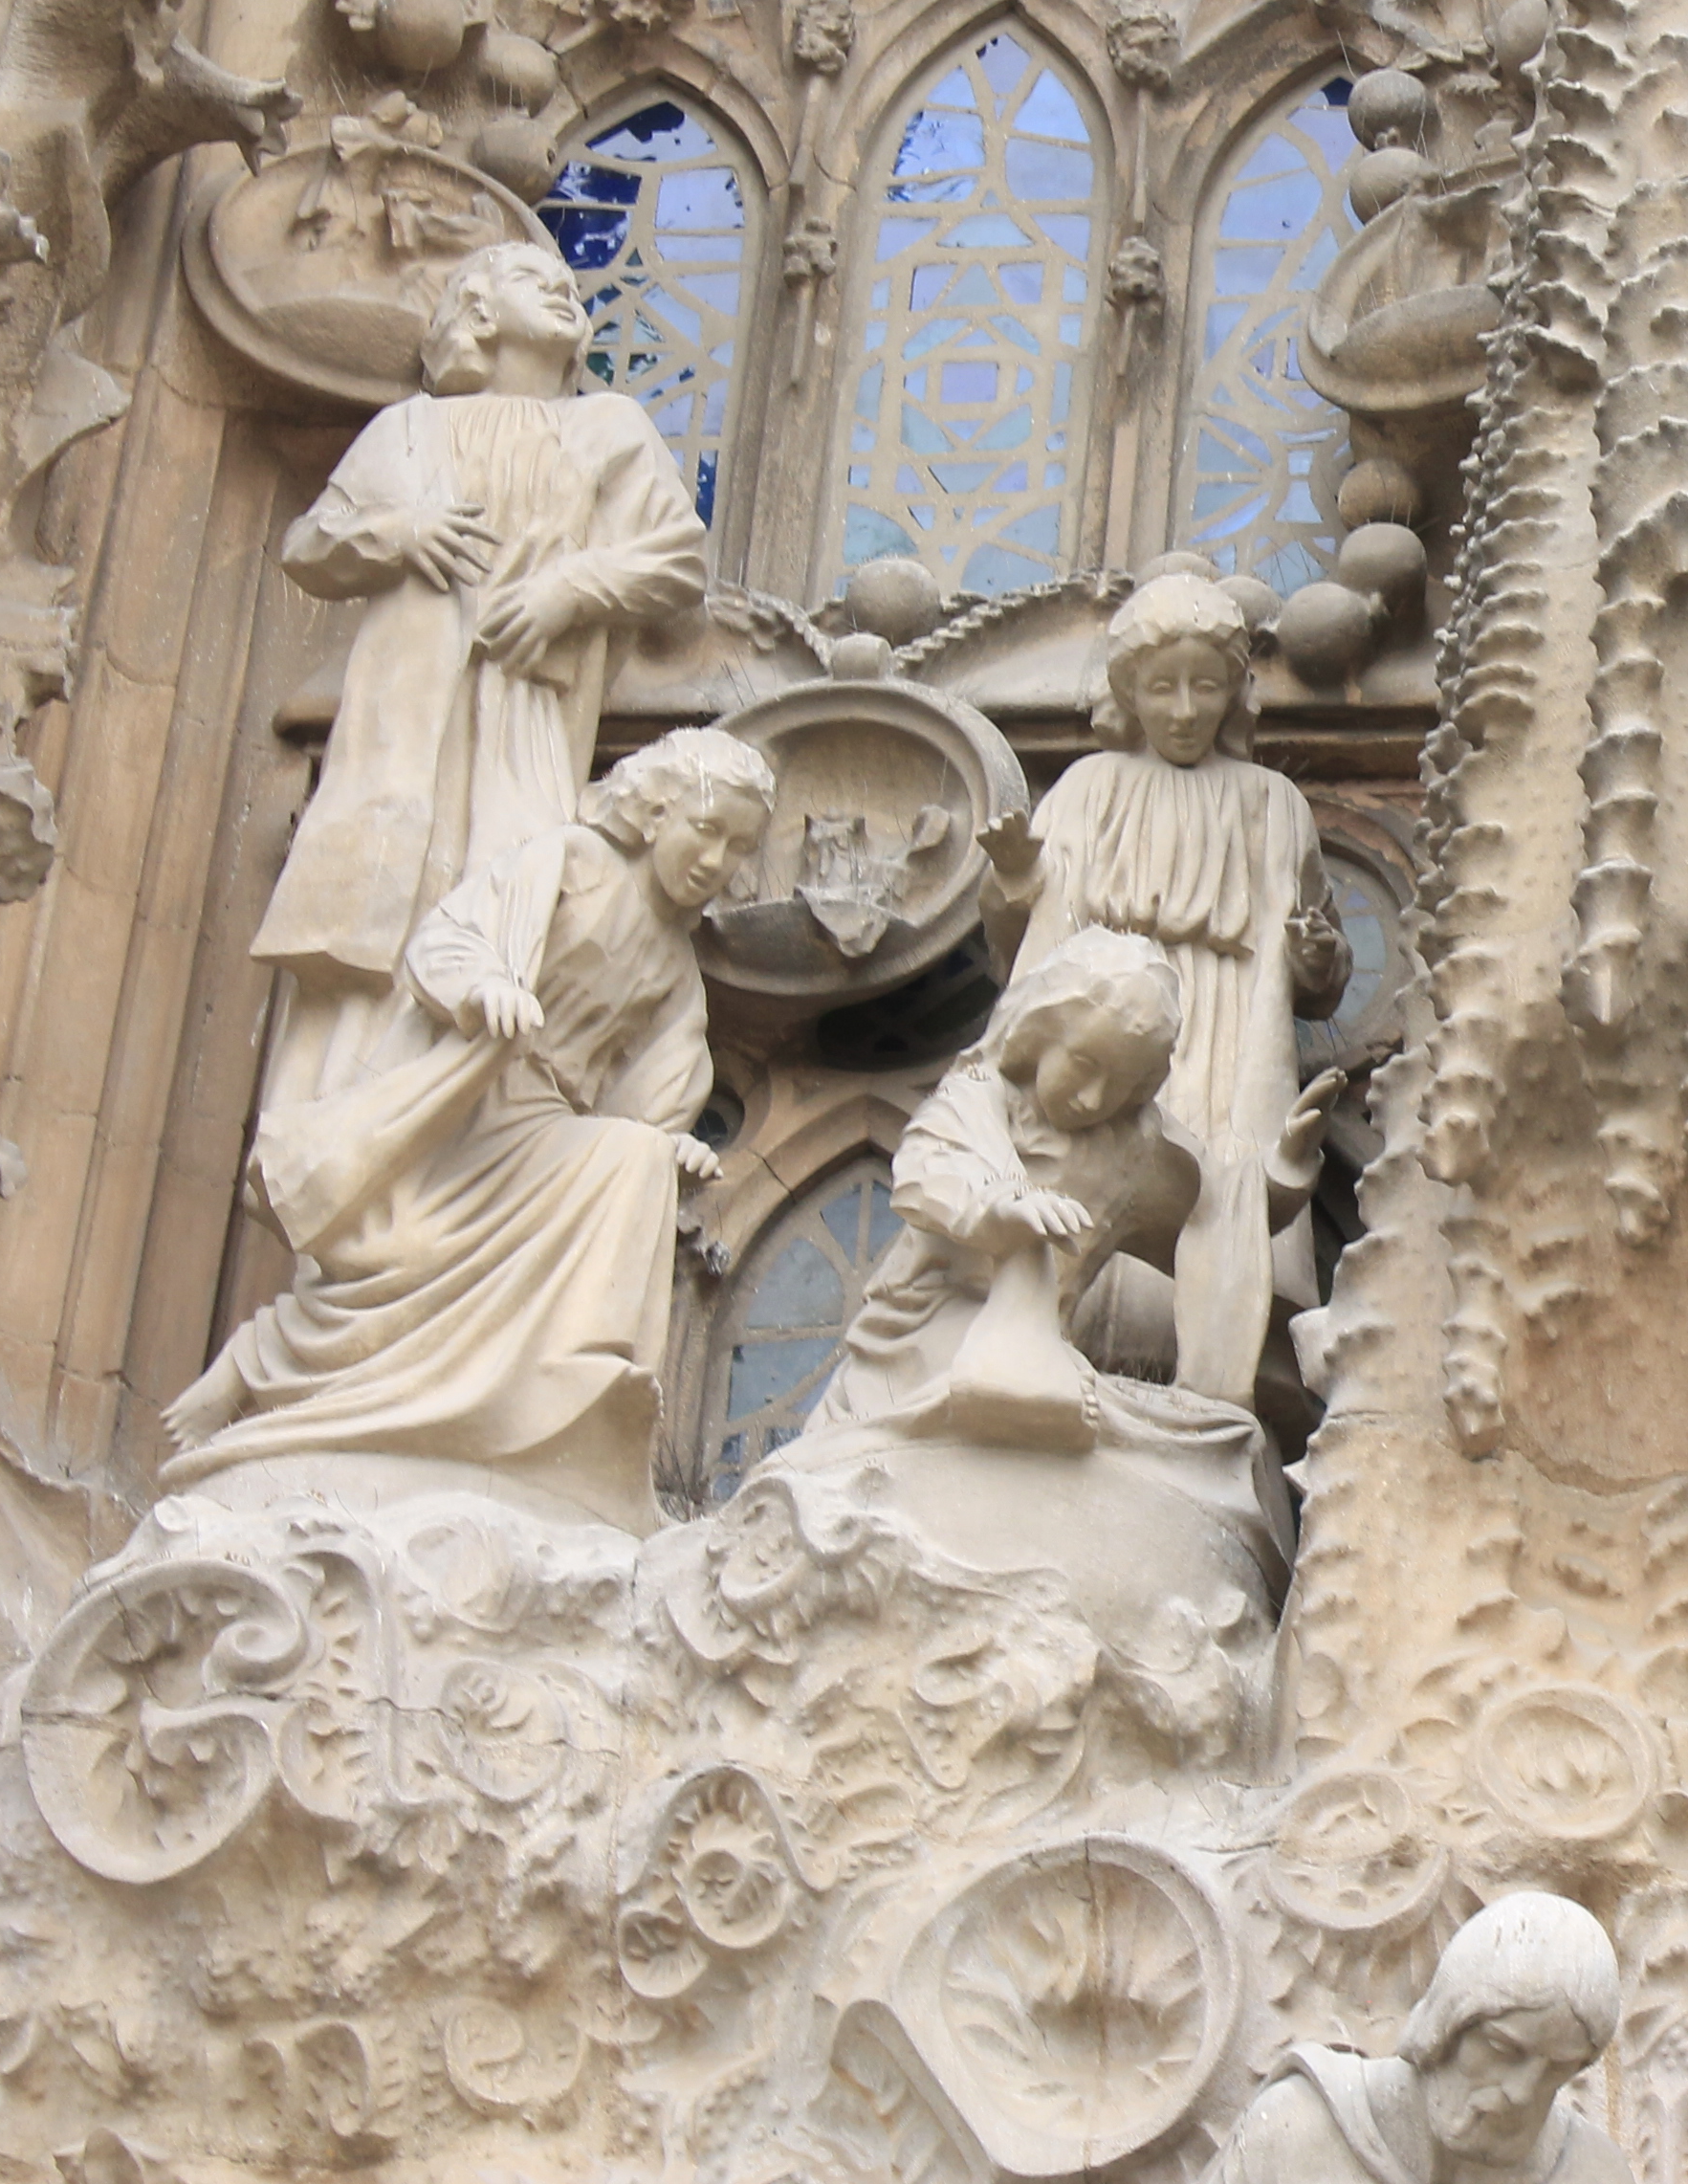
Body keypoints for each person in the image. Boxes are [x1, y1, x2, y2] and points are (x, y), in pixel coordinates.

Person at [171, 726, 775, 1530]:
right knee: (404, 1256)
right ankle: (260, 1361)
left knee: (630, 1161)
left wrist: (668, 1144)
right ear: (654, 811)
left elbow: (655, 1088)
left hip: (549, 1125)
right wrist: (484, 985)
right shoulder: (569, 865)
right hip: (469, 1100)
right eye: (706, 830)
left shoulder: (672, 968)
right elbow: (448, 940)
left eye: (737, 849)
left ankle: (576, 1377)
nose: (716, 861)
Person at [251, 239, 711, 1099]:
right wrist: (400, 531)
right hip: (406, 710)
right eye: (538, 281)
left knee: (516, 886)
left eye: (574, 288)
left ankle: (480, 1114)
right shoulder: (410, 429)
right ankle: (349, 1112)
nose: (565, 293)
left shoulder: (606, 426)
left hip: (529, 704)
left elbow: (679, 556)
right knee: (389, 894)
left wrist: (570, 590)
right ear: (481, 313)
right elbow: (311, 544)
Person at [978, 572, 1348, 1412]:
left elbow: (1314, 975)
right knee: (1088, 1204)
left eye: (1207, 686)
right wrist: (1013, 876)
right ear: (1127, 693)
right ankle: (1061, 1357)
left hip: (1224, 1037)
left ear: (1236, 692)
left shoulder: (1273, 805)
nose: (1184, 710)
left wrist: (1316, 957)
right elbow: (1033, 941)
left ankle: (1204, 1384)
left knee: (1210, 1201)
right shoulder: (1087, 790)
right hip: (1110, 1038)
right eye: (1160, 688)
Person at [793, 928, 1334, 1455]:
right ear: (1041, 1030)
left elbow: (1220, 1211)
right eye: (1083, 1065)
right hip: (924, 1333)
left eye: (1121, 1084)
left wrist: (1287, 1162)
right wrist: (1001, 1206)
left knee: (1148, 1433)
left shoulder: (1133, 1148)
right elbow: (927, 1172)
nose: (1093, 1098)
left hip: (1041, 1349)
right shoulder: (981, 1096)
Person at [1213, 1892, 1628, 2184]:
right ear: (1445, 2027)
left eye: (1557, 2070)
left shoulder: (1590, 2172)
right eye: (1503, 2049)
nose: (1522, 2093)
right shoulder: (1297, 2129)